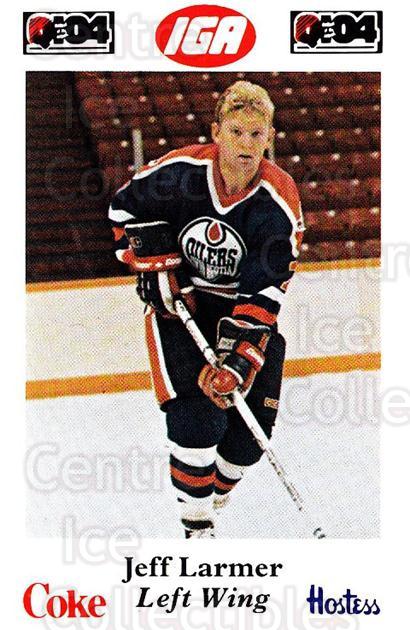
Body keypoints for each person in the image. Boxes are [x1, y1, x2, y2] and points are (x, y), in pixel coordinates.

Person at [109, 81, 304, 538]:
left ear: (269, 137)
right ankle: (197, 530)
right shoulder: (179, 172)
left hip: (242, 315)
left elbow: (266, 288)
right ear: (216, 132)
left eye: (256, 134)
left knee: (248, 442)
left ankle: (209, 497)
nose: (246, 145)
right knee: (198, 421)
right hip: (180, 312)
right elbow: (123, 209)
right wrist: (151, 263)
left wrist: (238, 358)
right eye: (236, 132)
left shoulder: (278, 201)